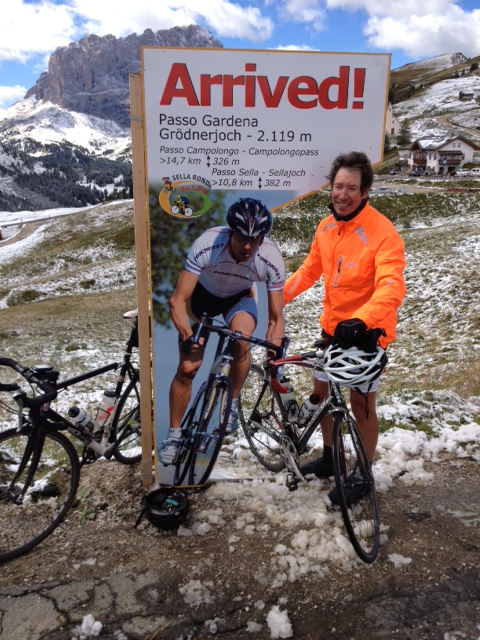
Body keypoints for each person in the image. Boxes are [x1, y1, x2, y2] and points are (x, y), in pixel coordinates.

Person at [283, 151, 406, 504]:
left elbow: (391, 285)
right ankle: (330, 457)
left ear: (365, 192)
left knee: (360, 403)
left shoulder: (382, 232)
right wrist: (274, 300)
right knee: (322, 392)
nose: (343, 194)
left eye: (352, 188)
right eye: (338, 186)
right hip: (332, 330)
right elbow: (309, 271)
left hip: (366, 334)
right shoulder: (326, 227)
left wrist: (362, 319)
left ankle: (363, 474)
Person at [159, 197, 286, 465]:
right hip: (202, 299)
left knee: (242, 340)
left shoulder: (271, 258)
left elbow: (275, 319)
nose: (248, 246)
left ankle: (231, 403)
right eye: (242, 238)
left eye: (255, 239)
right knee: (188, 369)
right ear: (231, 233)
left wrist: (275, 356)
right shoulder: (209, 243)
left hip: (238, 299)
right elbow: (177, 300)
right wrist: (187, 337)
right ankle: (174, 434)